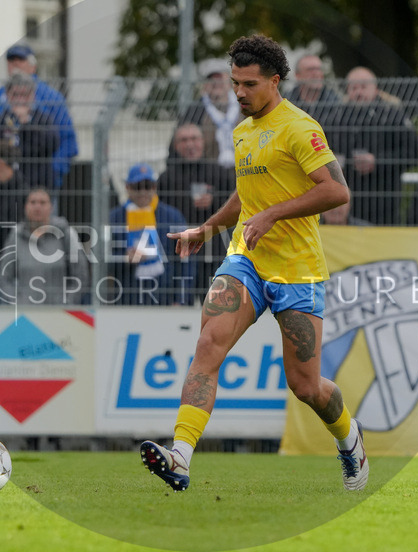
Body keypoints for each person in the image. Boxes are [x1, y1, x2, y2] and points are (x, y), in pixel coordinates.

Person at [139, 34, 368, 492]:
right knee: (208, 345)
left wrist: (272, 214)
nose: (239, 92)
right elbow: (247, 196)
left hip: (297, 269)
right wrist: (206, 230)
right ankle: (180, 456)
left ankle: (349, 441)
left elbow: (337, 191)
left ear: (274, 81)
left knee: (306, 387)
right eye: (234, 83)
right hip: (245, 260)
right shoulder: (241, 131)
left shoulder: (301, 128)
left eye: (248, 84)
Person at [323, 66, 417, 225]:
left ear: (376, 88)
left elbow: (412, 154)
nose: (358, 92)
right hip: (347, 200)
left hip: (384, 200)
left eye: (364, 87)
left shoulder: (392, 115)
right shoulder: (336, 116)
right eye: (354, 88)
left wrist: (377, 161)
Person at [0, 43, 78, 189]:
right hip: (3, 185)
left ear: (33, 66)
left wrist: (54, 171)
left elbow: (65, 141)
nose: (16, 65)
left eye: (21, 61)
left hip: (39, 184)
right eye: (11, 62)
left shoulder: (51, 98)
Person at [157, 122, 234, 291]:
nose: (190, 144)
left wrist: (214, 201)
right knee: (181, 297)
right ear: (176, 146)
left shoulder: (219, 172)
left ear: (203, 142)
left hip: (214, 249)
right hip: (179, 250)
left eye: (194, 139)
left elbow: (236, 203)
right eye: (184, 140)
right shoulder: (166, 178)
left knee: (214, 298)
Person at [108, 163, 194, 306]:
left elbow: (186, 259)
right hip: (128, 296)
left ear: (154, 187)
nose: (143, 192)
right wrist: (125, 259)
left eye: (148, 186)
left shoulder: (172, 216)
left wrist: (181, 299)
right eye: (137, 186)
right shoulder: (115, 218)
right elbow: (104, 262)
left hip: (164, 295)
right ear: (128, 188)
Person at [0, 188, 89, 305]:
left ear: (51, 207)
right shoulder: (16, 236)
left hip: (60, 313)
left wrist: (67, 302)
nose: (37, 207)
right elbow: (4, 277)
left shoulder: (66, 234)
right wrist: (17, 302)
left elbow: (80, 274)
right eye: (33, 202)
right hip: (25, 315)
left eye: (42, 202)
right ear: (25, 207)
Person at [0, 72, 59, 190]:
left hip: (37, 185)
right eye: (16, 95)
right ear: (8, 95)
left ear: (33, 95)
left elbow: (51, 145)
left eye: (25, 95)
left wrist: (26, 124)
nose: (20, 100)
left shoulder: (44, 120)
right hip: (5, 186)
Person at [178, 58, 242, 169]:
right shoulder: (195, 110)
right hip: (208, 172)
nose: (216, 83)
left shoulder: (244, 104)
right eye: (211, 79)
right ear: (204, 84)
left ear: (229, 80)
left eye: (220, 77)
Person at [283, 53, 341, 125]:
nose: (316, 73)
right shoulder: (286, 102)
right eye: (310, 69)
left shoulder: (335, 103)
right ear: (297, 75)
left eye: (319, 69)